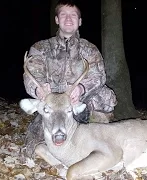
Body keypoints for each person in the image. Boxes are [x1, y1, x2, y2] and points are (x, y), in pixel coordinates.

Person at [22, 0, 117, 157]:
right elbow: (31, 74)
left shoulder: (89, 49)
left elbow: (99, 76)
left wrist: (81, 89)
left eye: (73, 15)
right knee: (32, 148)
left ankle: (99, 137)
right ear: (57, 20)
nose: (68, 19)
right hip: (52, 105)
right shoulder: (40, 48)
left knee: (105, 96)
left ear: (79, 22)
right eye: (63, 14)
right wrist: (38, 89)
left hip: (79, 102)